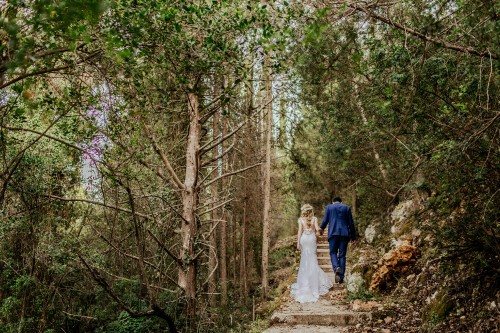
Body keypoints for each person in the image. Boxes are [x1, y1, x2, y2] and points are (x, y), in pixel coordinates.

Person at [291, 204, 333, 303]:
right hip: (311, 240)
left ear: (303, 212)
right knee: (312, 260)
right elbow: (318, 229)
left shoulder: (300, 220)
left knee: (304, 261)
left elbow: (300, 232)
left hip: (304, 240)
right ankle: (313, 282)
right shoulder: (314, 219)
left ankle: (305, 282)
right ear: (311, 212)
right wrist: (319, 230)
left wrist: (298, 243)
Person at [319, 197, 356, 284]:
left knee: (333, 253)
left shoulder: (329, 207)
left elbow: (325, 220)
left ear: (333, 202)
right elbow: (351, 223)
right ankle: (341, 277)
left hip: (333, 233)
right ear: (341, 202)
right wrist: (353, 237)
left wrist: (321, 229)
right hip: (344, 234)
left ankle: (336, 268)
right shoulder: (346, 208)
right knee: (342, 255)